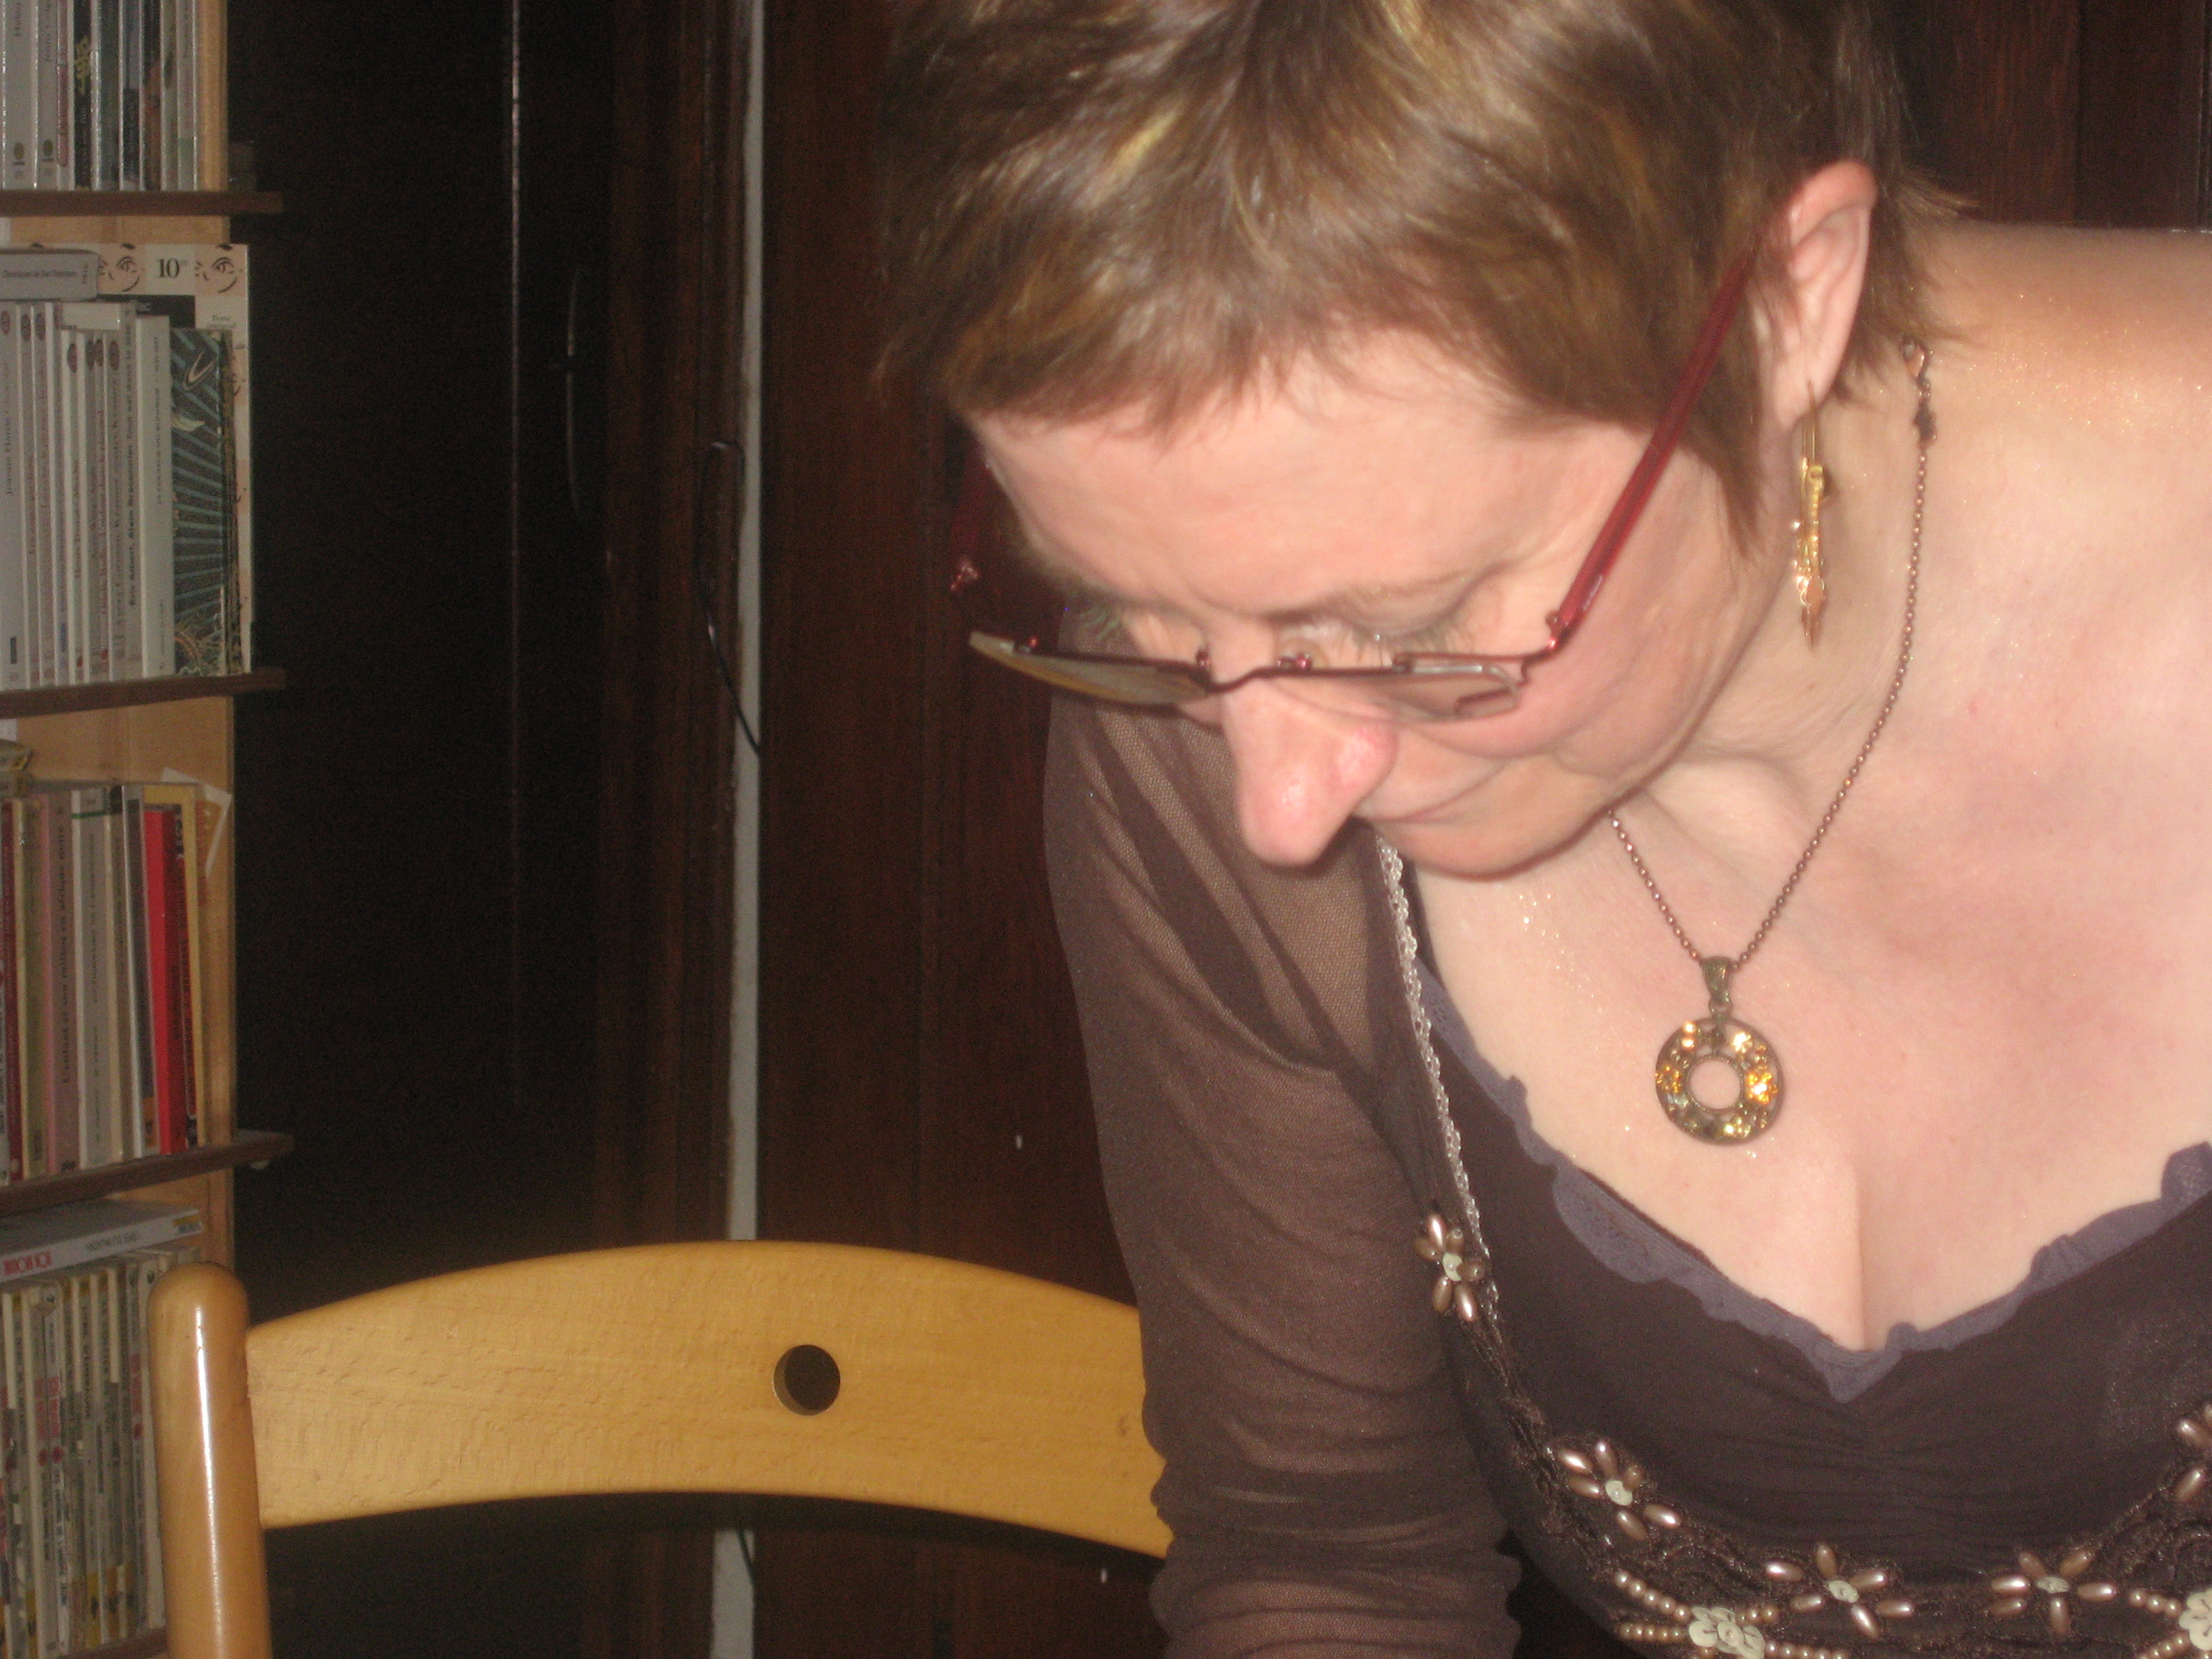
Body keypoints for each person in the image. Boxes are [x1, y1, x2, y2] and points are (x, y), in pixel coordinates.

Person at [879, 2, 2212, 1654]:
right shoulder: (1217, 708)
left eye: (1410, 628)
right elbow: (1326, 1563)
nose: (1278, 801)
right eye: (1137, 612)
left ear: (1788, 301)